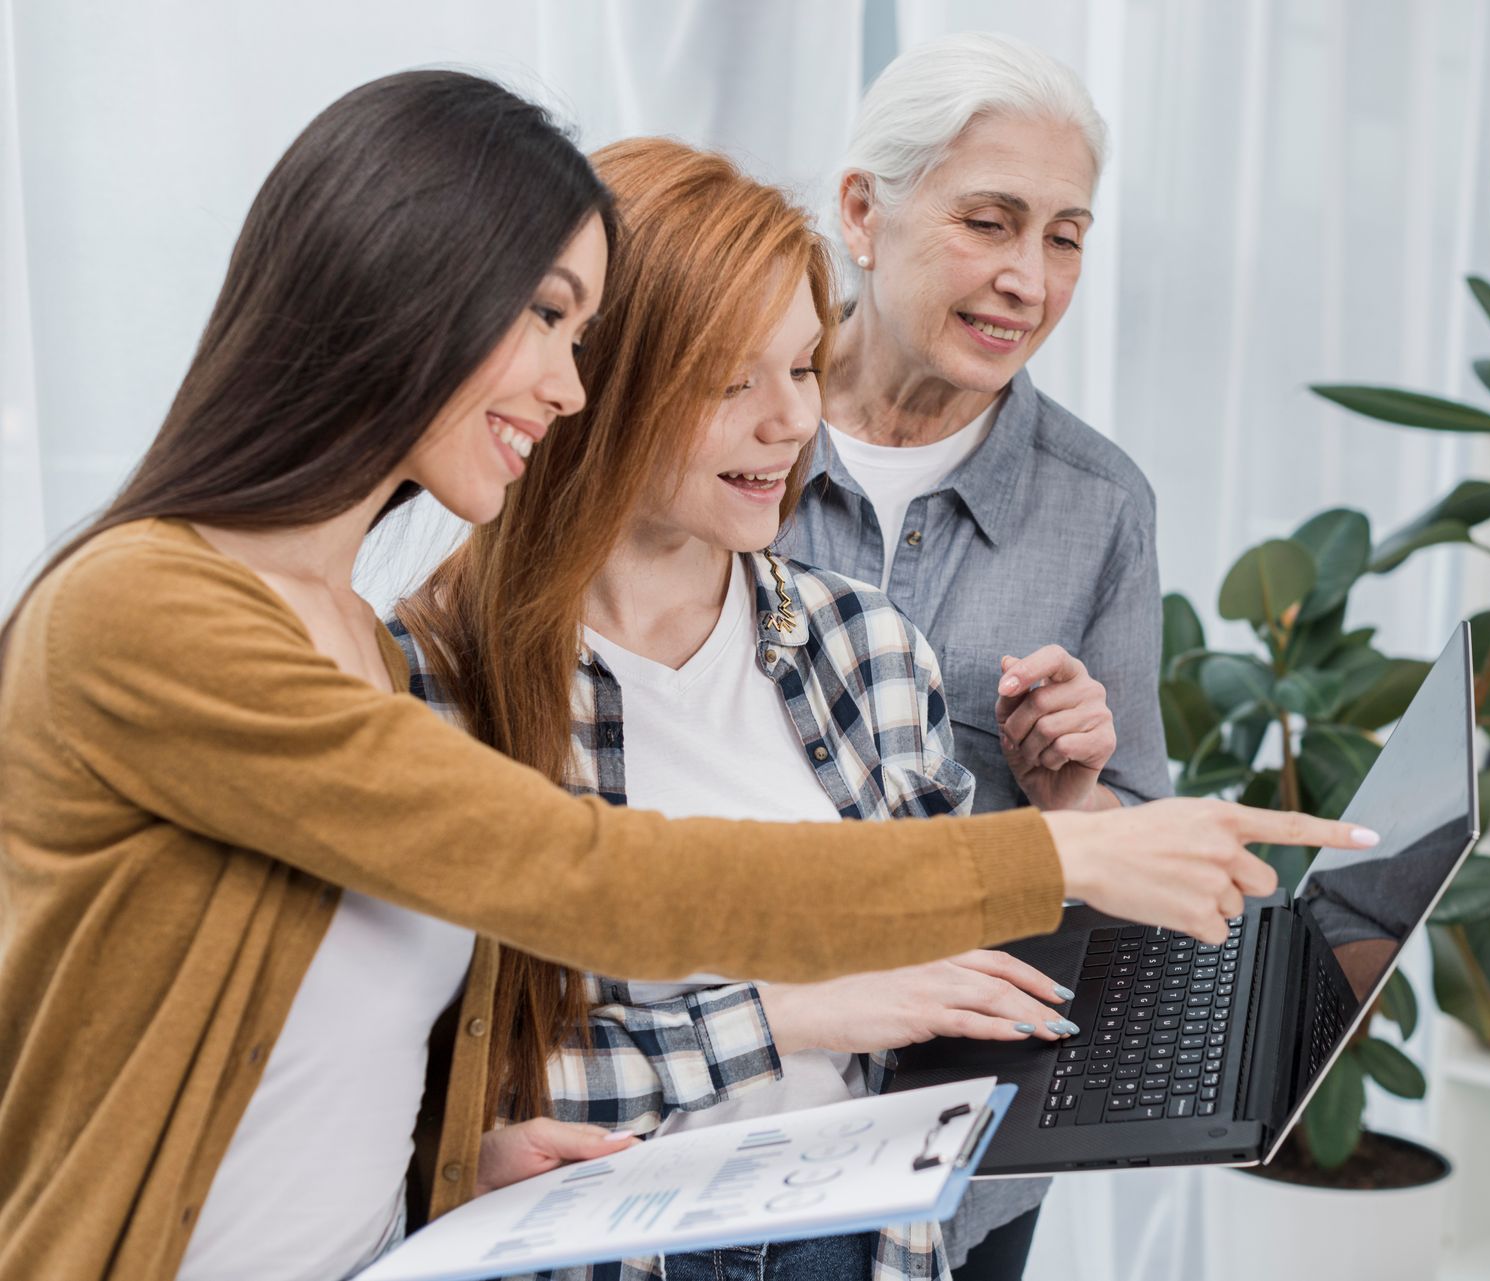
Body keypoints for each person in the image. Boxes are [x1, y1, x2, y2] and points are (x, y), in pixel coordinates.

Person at [0, 73, 1372, 1281]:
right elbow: (586, 874)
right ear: (404, 291)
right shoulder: (194, 620)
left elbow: (369, 1060)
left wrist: (459, 1164)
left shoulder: (351, 636)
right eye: (547, 319)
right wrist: (1052, 862)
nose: (568, 383)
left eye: (801, 368)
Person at [396, 135, 1083, 1281]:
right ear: (594, 384)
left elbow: (935, 1005)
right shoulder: (437, 681)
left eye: (806, 368)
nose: (790, 422)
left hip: (862, 1244)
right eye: (731, 381)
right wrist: (796, 1012)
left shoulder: (868, 649)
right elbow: (454, 1103)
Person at [778, 33, 1169, 1274]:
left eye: (1063, 238)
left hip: (969, 1149)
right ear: (863, 211)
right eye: (989, 221)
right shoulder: (728, 439)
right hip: (736, 1099)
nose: (1028, 280)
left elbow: (1129, 854)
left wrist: (1075, 798)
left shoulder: (1100, 503)